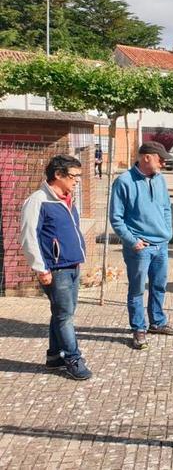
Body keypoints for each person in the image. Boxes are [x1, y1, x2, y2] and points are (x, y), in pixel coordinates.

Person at [20, 155, 92, 380]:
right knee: (64, 317)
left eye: (79, 176)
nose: (77, 180)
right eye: (73, 176)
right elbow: (28, 236)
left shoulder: (67, 199)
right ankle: (73, 358)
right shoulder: (38, 200)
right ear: (58, 175)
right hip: (55, 269)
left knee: (61, 313)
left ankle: (54, 356)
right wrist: (41, 268)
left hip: (72, 266)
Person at [110, 141, 173, 350]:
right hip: (140, 248)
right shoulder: (123, 182)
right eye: (161, 158)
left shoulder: (160, 180)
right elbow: (116, 218)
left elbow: (166, 207)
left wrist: (168, 232)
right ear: (147, 157)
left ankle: (157, 322)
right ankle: (138, 328)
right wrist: (133, 242)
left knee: (159, 285)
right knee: (137, 289)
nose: (164, 163)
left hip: (161, 245)